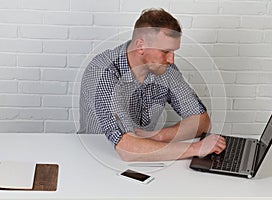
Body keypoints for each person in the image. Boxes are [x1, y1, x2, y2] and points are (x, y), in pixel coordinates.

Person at [78, 8, 226, 162]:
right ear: (141, 46)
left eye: (173, 51)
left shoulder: (165, 71)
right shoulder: (103, 72)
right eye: (165, 51)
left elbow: (202, 122)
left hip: (145, 155)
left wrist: (158, 136)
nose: (171, 60)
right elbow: (126, 148)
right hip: (94, 158)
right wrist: (197, 148)